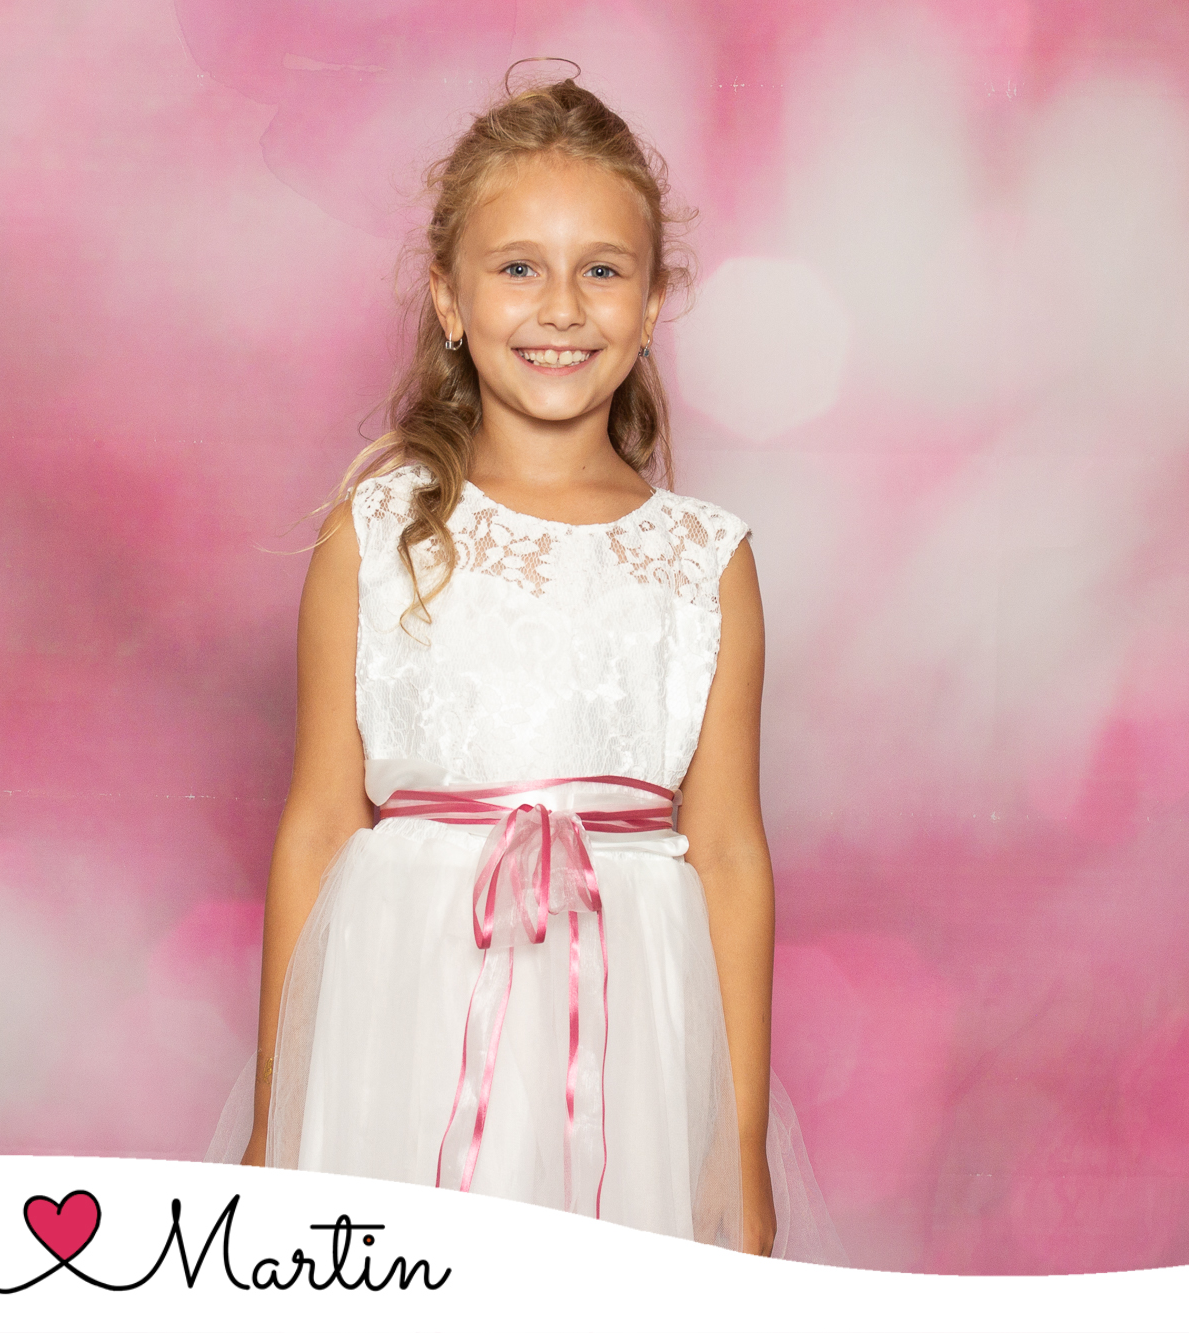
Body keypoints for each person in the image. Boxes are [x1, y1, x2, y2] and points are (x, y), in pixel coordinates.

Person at [207, 69, 842, 1263]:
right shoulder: (376, 536)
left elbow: (727, 851)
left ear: (651, 304)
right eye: (516, 268)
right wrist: (276, 1119)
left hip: (624, 1036)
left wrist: (739, 1148)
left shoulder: (702, 562)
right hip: (399, 1016)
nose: (560, 306)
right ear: (448, 297)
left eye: (600, 270)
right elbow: (318, 822)